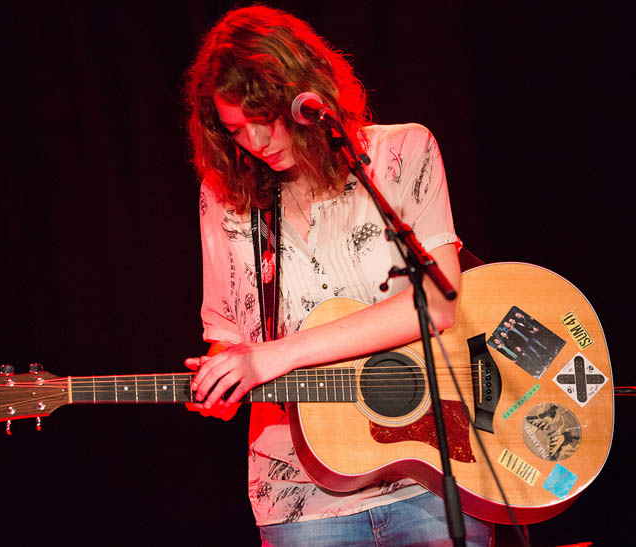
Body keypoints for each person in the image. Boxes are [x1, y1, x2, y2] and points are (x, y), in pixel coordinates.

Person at [183, 6, 493, 546]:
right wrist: (221, 378)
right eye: (236, 128)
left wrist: (278, 355)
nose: (255, 140)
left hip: (433, 471)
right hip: (298, 495)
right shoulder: (224, 197)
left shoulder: (403, 152)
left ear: (306, 96)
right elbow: (229, 335)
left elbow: (438, 305)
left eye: (266, 116)